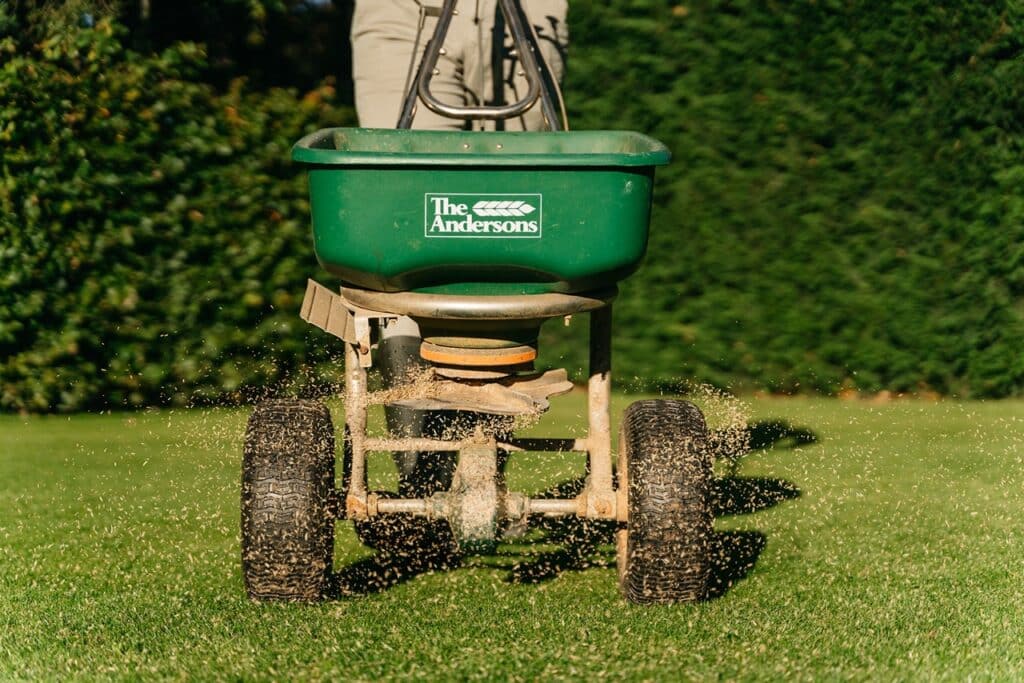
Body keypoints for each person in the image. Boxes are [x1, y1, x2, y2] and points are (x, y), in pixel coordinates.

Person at [349, 0, 569, 502]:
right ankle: (420, 476)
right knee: (411, 228)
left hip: (527, 16)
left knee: (512, 228)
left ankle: (479, 466)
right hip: (410, 10)